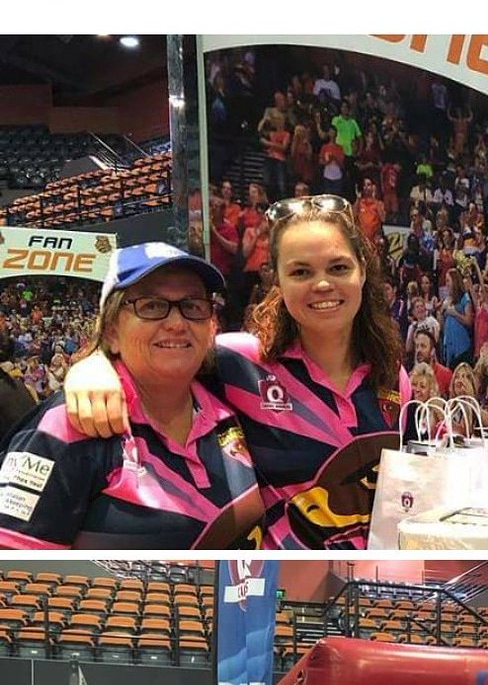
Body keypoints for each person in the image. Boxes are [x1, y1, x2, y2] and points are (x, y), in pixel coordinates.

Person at [64, 197, 408, 550]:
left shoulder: (392, 374)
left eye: (338, 267)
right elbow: (160, 355)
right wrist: (93, 364)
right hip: (285, 585)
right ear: (277, 280)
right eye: (301, 272)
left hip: (377, 580)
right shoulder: (239, 362)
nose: (322, 285)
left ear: (362, 270)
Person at [0, 243, 264, 550]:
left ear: (211, 326)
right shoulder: (67, 428)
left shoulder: (232, 401)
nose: (177, 323)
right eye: (151, 306)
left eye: (193, 305)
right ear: (111, 330)